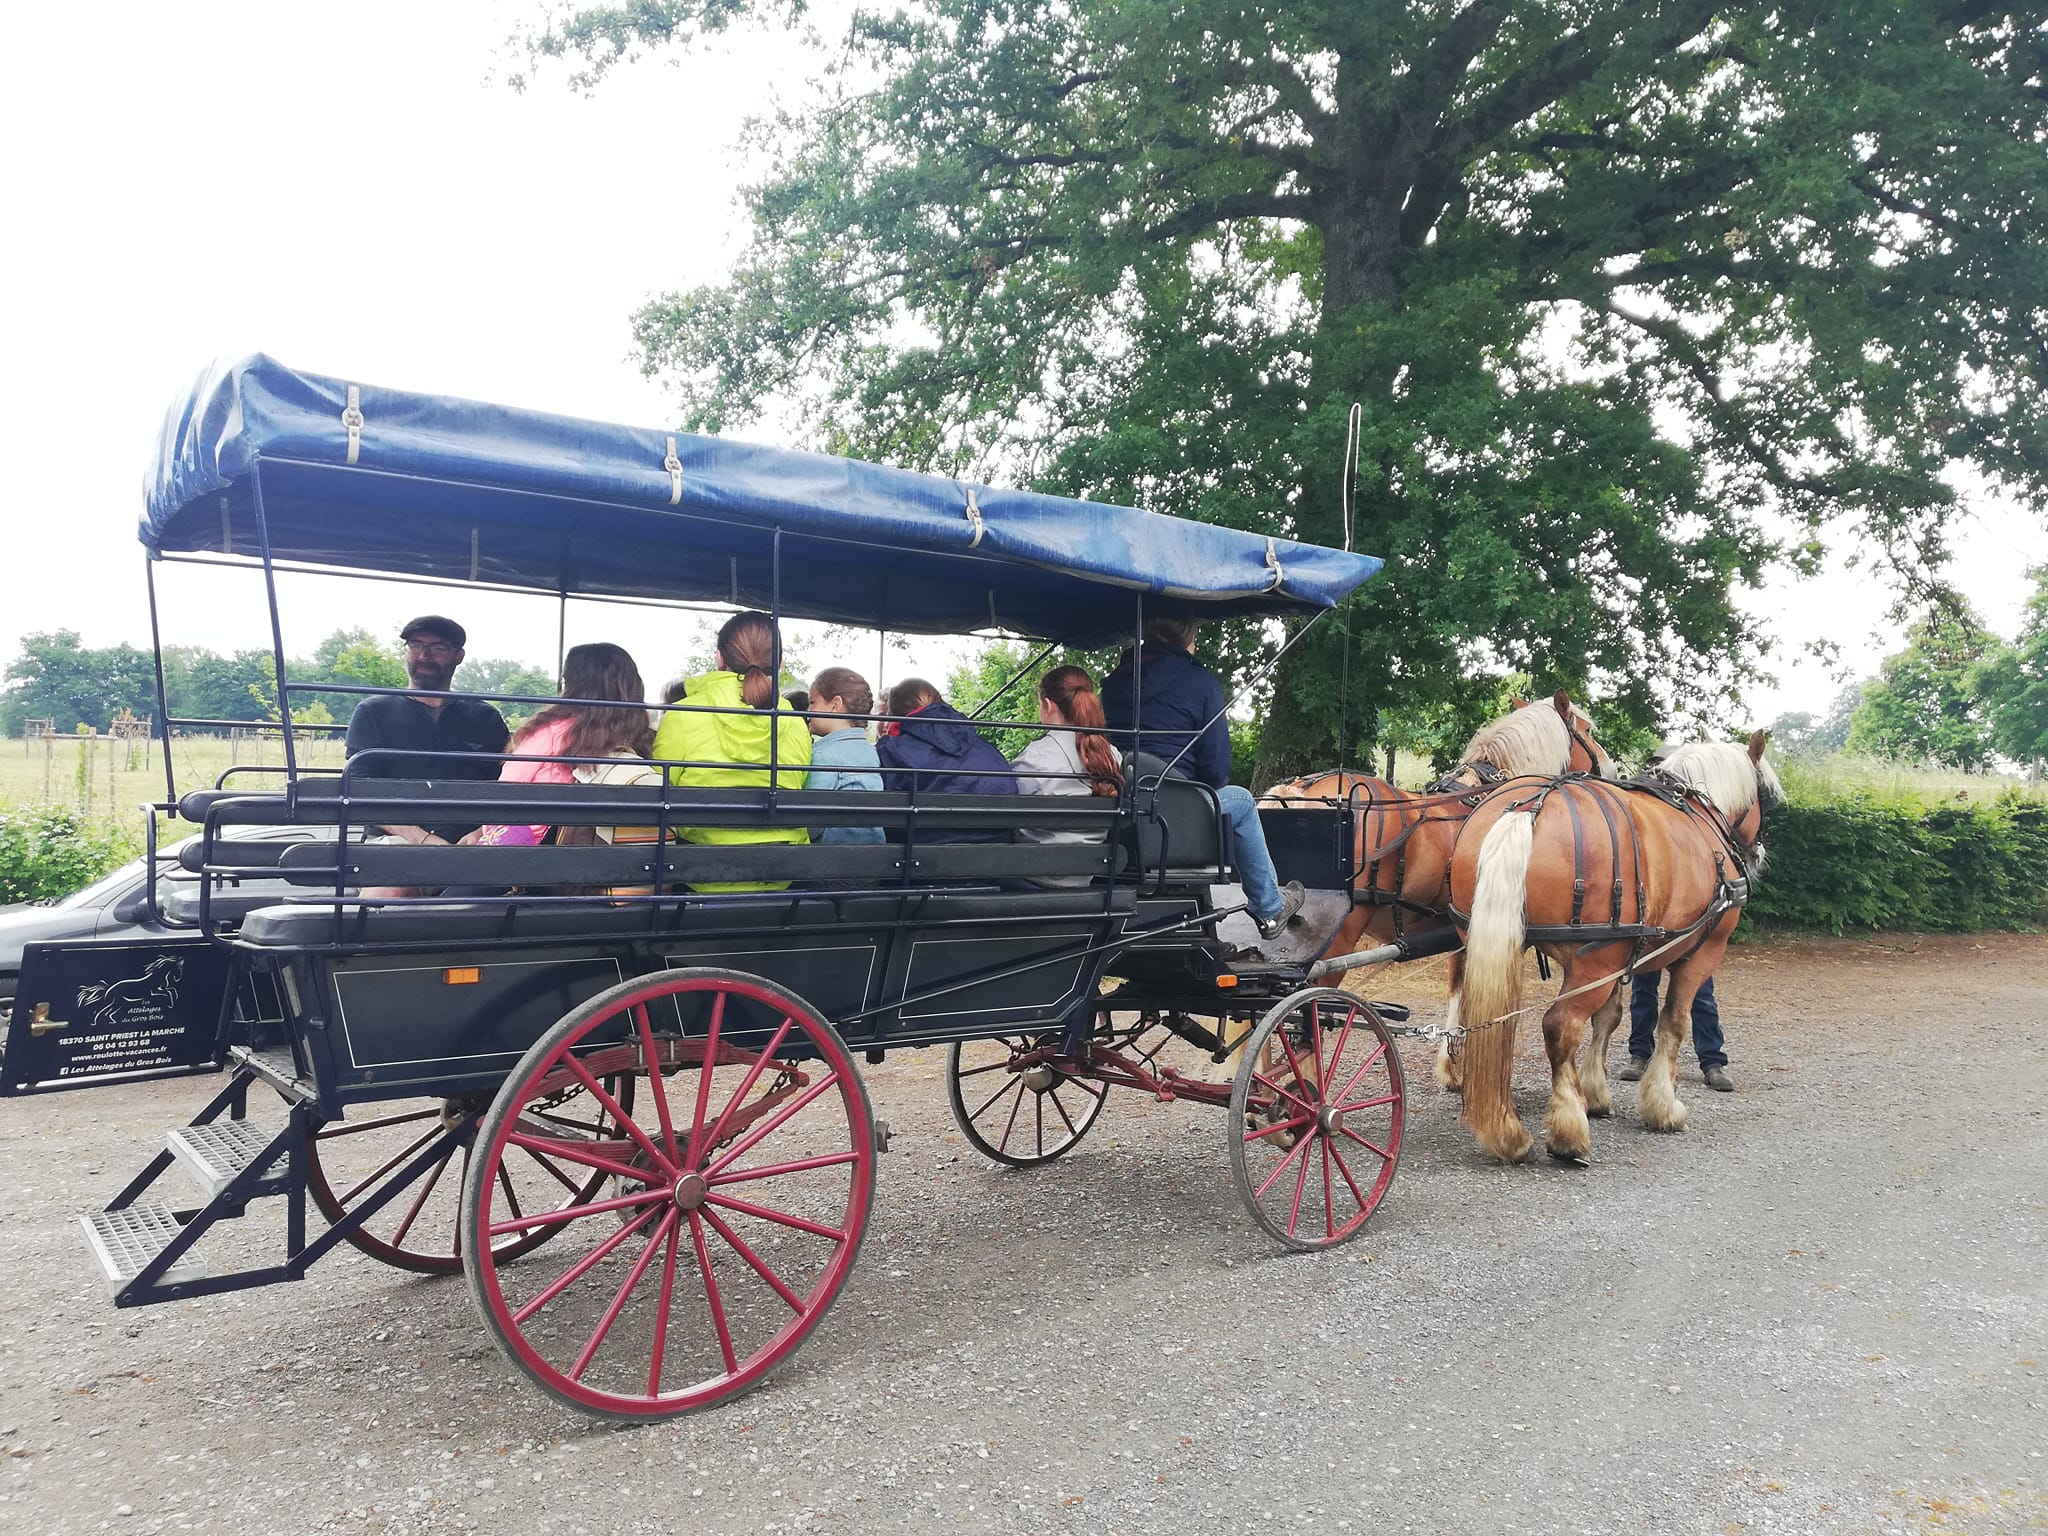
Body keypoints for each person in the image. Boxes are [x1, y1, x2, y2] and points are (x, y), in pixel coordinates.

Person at [1099, 617, 1303, 939]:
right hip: (1174, 814)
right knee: (1242, 801)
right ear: (1188, 637)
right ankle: (1269, 907)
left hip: (1123, 812)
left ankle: (1202, 927)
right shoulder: (1200, 683)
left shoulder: (1112, 685)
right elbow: (1216, 766)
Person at [651, 611, 812, 890]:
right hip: (782, 874)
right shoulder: (795, 722)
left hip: (701, 877)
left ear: (719, 659)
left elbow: (659, 792)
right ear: (781, 663)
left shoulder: (681, 715)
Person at [1616, 738, 1733, 1091]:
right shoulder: (1649, 817)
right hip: (1652, 921)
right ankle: (1640, 1054)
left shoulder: (1690, 820)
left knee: (1699, 991)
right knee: (1644, 988)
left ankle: (1712, 1061)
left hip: (1688, 923)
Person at [342, 615, 509, 845]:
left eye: (438, 648)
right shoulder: (373, 711)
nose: (424, 656)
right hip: (395, 838)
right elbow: (360, 789)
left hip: (472, 843)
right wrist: (422, 839)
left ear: (458, 656)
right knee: (391, 871)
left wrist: (481, 833)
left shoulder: (485, 717)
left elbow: (508, 785)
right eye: (415, 645)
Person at [472, 643, 654, 848]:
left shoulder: (552, 730)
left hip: (538, 847)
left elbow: (506, 790)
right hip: (606, 848)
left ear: (574, 684)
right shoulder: (638, 735)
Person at [876, 679, 1017, 842]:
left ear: (894, 716)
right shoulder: (990, 752)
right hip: (997, 859)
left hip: (915, 861)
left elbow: (881, 819)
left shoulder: (893, 752)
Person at [1011, 664, 1121, 835]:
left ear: (1048, 705)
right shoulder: (1113, 756)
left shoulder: (1033, 758)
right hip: (1101, 859)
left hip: (1034, 858)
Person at [803, 667, 883, 845]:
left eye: (812, 702)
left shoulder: (823, 755)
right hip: (875, 851)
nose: (808, 710)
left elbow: (810, 818)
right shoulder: (870, 751)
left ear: (835, 704)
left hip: (832, 854)